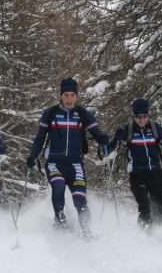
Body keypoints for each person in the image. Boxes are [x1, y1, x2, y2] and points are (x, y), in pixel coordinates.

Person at [26, 78, 111, 229]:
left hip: (75, 164)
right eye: (66, 95)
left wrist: (103, 140)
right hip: (54, 163)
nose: (69, 99)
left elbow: (97, 134)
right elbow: (40, 138)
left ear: (77, 96)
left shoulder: (83, 114)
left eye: (72, 95)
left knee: (80, 198)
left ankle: (87, 231)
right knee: (58, 187)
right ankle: (60, 221)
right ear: (61, 95)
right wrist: (33, 155)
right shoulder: (50, 114)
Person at [109, 98, 162, 229]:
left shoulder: (155, 128)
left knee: (160, 210)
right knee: (145, 208)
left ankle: (155, 234)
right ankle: (144, 237)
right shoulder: (128, 129)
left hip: (155, 173)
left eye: (144, 116)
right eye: (138, 117)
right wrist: (117, 138)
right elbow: (109, 148)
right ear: (133, 116)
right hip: (137, 174)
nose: (142, 120)